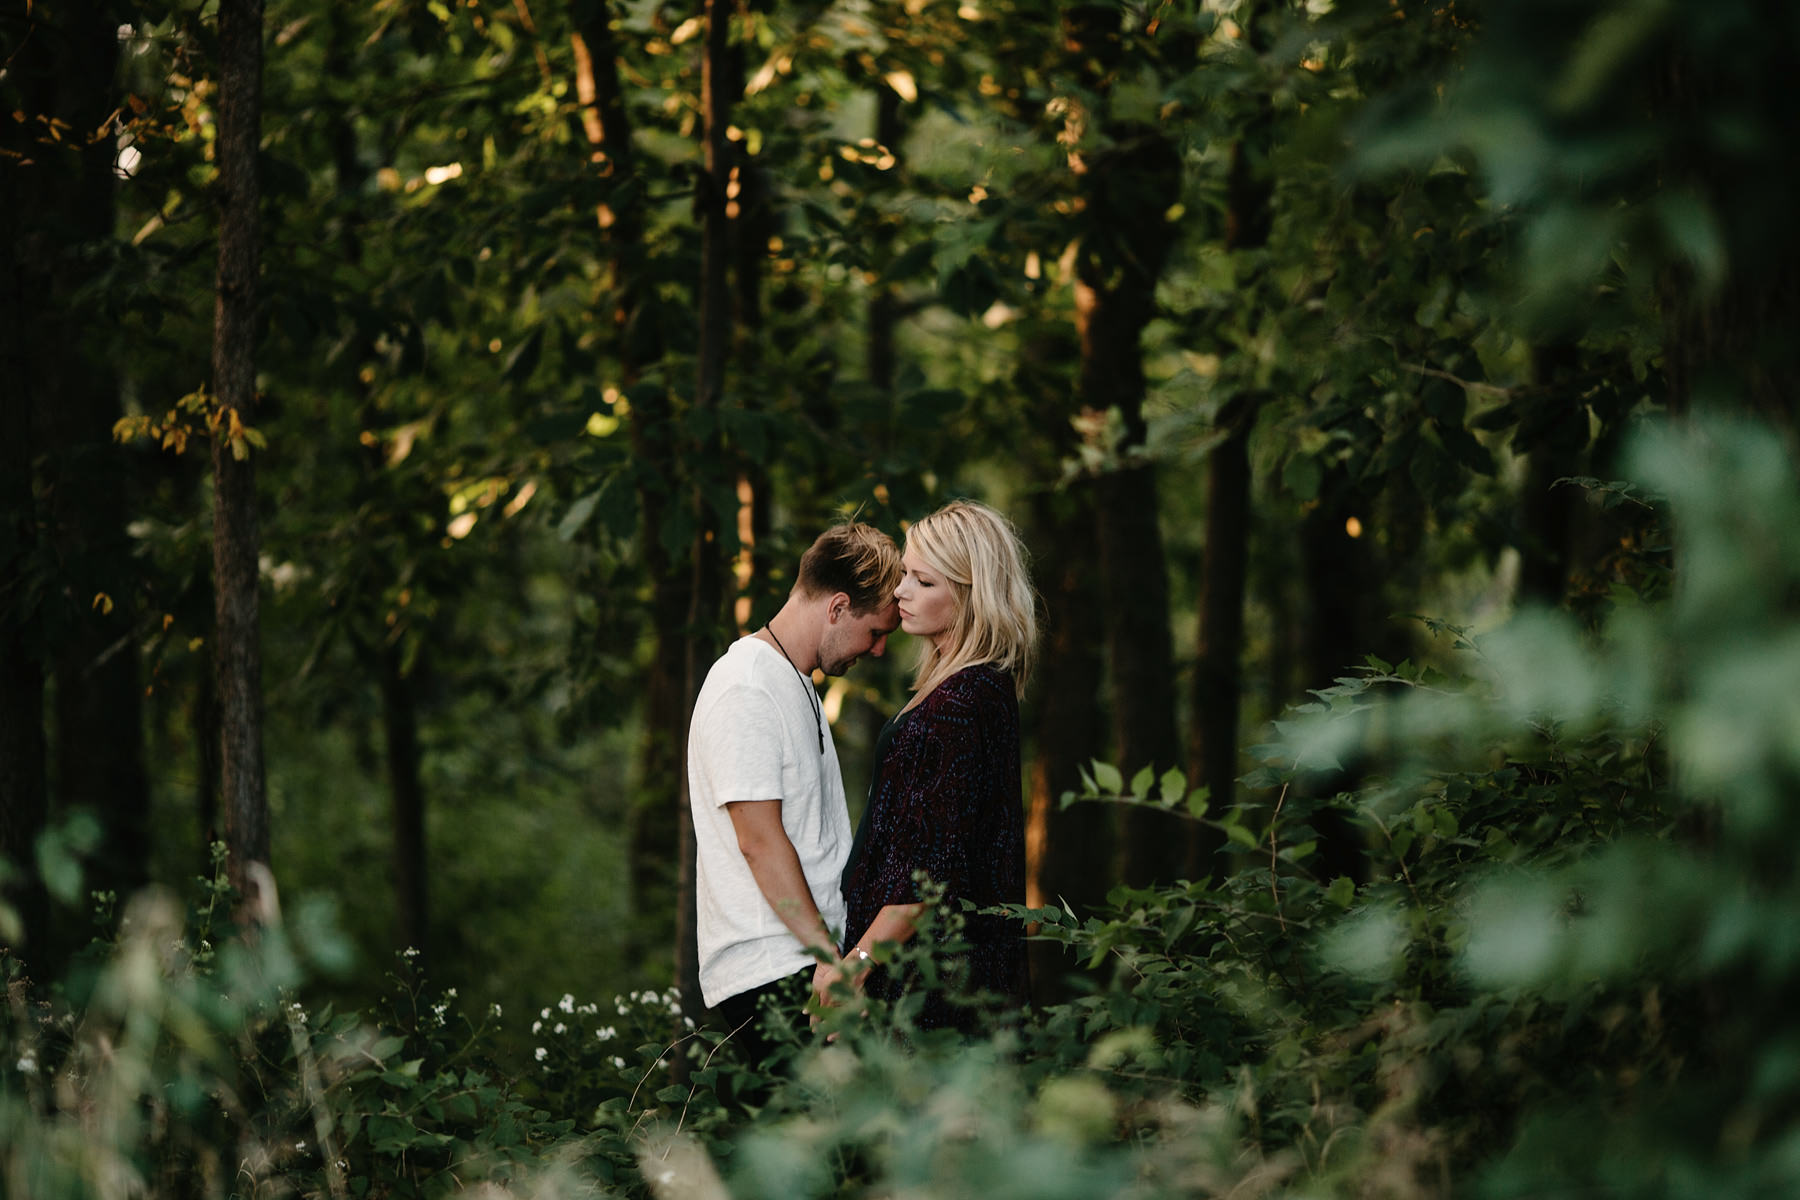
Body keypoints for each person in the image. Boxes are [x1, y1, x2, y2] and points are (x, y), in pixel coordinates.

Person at [688, 522, 903, 1061]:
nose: (877, 650)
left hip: (806, 965)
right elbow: (758, 840)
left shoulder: (793, 680)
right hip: (776, 970)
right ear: (836, 608)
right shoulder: (746, 686)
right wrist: (829, 958)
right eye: (875, 632)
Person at [832, 500, 1038, 1032]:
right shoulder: (972, 686)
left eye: (923, 581)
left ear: (970, 594)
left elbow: (930, 871)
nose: (900, 592)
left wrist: (854, 967)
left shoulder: (961, 703)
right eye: (905, 575)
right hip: (922, 973)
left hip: (925, 988)